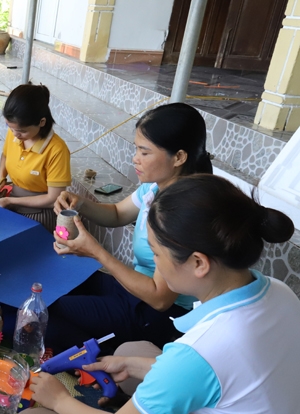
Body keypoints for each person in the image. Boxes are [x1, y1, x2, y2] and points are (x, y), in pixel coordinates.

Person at [13, 174, 300, 414]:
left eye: (157, 256)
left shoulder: (202, 350)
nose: (156, 269)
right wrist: (141, 368)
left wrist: (59, 399)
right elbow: (233, 378)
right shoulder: (278, 292)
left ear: (199, 263)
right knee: (133, 353)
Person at [45, 103, 212, 352]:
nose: (135, 158)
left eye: (144, 152)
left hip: (157, 314)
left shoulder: (183, 213)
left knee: (51, 311)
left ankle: (101, 359)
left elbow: (160, 299)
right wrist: (81, 204)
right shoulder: (154, 187)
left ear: (179, 157)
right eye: (136, 149)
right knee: (56, 285)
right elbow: (116, 213)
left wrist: (96, 252)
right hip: (133, 289)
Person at [0, 84, 71, 230]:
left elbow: (53, 199)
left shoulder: (57, 150)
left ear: (42, 122)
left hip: (39, 214)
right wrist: (1, 177)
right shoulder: (14, 133)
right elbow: (5, 155)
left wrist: (10, 202)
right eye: (9, 127)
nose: (15, 134)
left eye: (21, 131)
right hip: (12, 202)